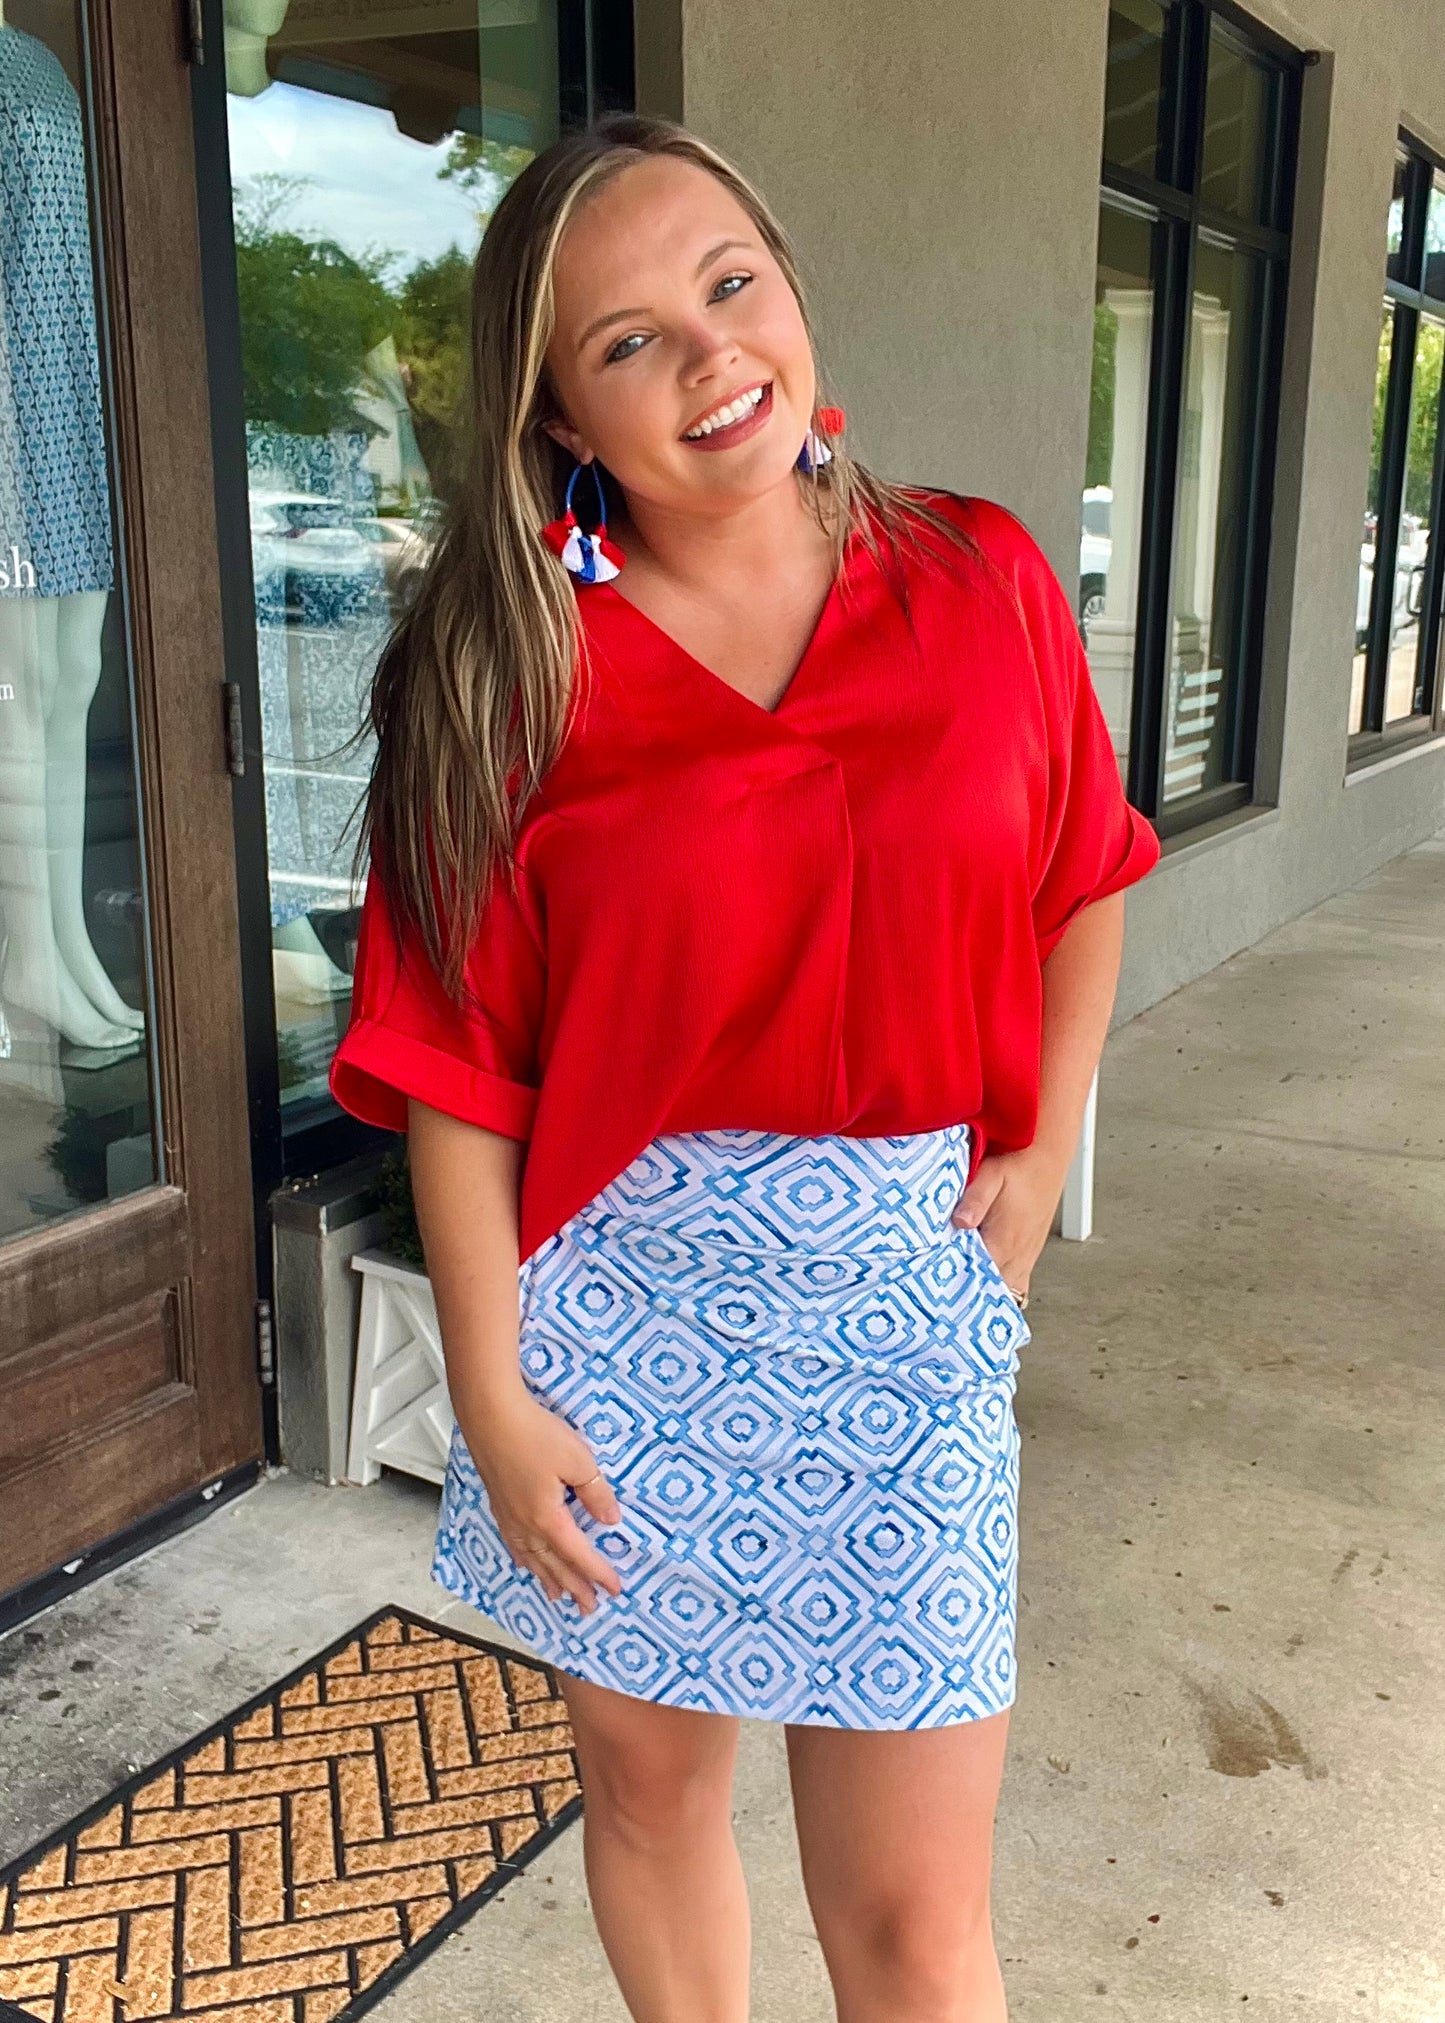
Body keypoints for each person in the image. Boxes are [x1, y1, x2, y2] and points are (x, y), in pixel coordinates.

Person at [329, 111, 1160, 2023]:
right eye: (625, 340)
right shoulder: (498, 673)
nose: (710, 357)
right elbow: (459, 1067)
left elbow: (1083, 870)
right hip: (621, 1305)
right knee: (647, 1794)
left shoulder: (980, 578)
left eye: (729, 284)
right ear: (559, 420)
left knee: (912, 1916)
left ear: (787, 290)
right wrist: (489, 1380)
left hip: (901, 1291)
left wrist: (1032, 1159)